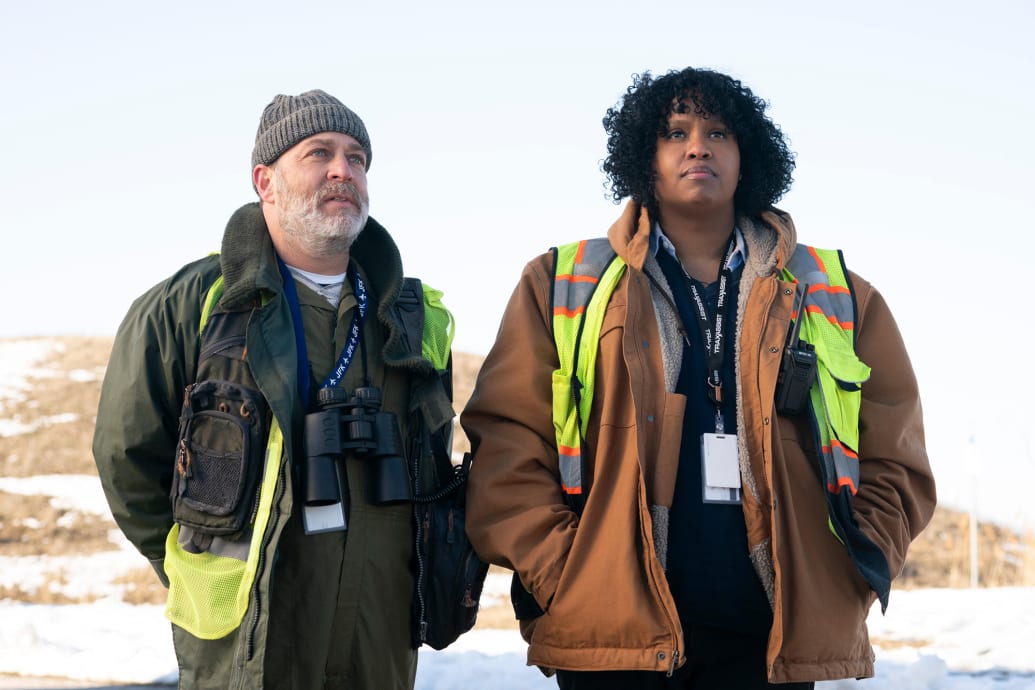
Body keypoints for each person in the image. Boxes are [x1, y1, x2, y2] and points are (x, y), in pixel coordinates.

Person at [461, 67, 936, 689]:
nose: (697, 146)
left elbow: (897, 461)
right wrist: (567, 575)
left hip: (773, 644)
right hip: (612, 641)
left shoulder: (835, 293)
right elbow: (507, 449)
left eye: (718, 132)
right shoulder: (562, 282)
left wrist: (849, 567)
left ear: (747, 159)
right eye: (675, 132)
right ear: (644, 157)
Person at [94, 89, 450, 689]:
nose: (344, 170)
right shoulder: (193, 304)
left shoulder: (413, 317)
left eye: (358, 157)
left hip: (378, 639)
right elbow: (127, 457)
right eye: (320, 153)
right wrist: (190, 566)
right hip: (252, 639)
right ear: (266, 181)